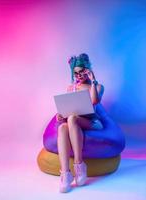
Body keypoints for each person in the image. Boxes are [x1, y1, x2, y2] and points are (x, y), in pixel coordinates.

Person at [56, 53, 104, 193]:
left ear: (87, 69)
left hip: (92, 121)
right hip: (75, 121)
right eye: (75, 73)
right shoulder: (71, 88)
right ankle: (65, 174)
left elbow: (95, 101)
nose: (79, 75)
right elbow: (70, 108)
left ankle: (79, 165)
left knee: (72, 119)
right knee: (63, 128)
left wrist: (93, 80)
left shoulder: (98, 86)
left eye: (81, 71)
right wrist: (61, 115)